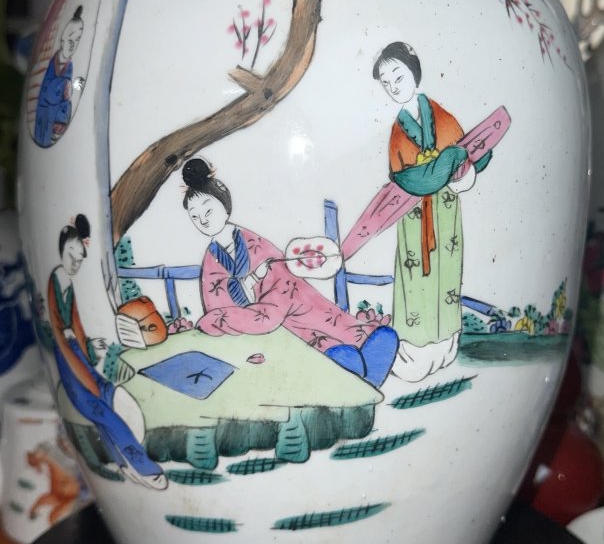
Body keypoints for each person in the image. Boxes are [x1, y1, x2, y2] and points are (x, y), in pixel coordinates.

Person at [183, 158, 398, 388]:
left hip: (286, 307)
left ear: (224, 206)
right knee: (320, 348)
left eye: (208, 210)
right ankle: (347, 367)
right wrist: (253, 292)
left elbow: (282, 281)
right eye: (195, 216)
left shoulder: (252, 241)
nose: (203, 220)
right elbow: (218, 309)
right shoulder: (211, 260)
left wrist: (266, 305)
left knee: (357, 332)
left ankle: (360, 364)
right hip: (259, 325)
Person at [372, 41, 491, 382]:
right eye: (386, 82)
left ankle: (446, 346)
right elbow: (405, 177)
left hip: (445, 210)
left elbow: (468, 152)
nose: (394, 86)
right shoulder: (398, 131)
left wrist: (456, 171)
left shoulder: (439, 114)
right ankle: (415, 352)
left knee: (446, 274)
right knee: (415, 278)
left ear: (414, 72)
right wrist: (442, 166)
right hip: (414, 217)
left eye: (398, 76)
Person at [48, 214, 166, 489]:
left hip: (77, 352)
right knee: (101, 413)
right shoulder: (55, 279)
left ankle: (124, 464)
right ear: (62, 250)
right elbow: (57, 324)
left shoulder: (68, 282)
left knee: (102, 410)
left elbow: (76, 322)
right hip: (66, 356)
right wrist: (74, 346)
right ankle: (143, 466)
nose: (75, 262)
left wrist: (89, 347)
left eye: (79, 258)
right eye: (71, 254)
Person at [34, 6, 85, 147]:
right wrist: (64, 86)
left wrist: (75, 87)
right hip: (45, 118)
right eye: (70, 39)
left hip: (57, 121)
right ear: (62, 38)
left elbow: (70, 95)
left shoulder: (70, 66)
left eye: (77, 40)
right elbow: (48, 92)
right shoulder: (52, 63)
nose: (73, 45)